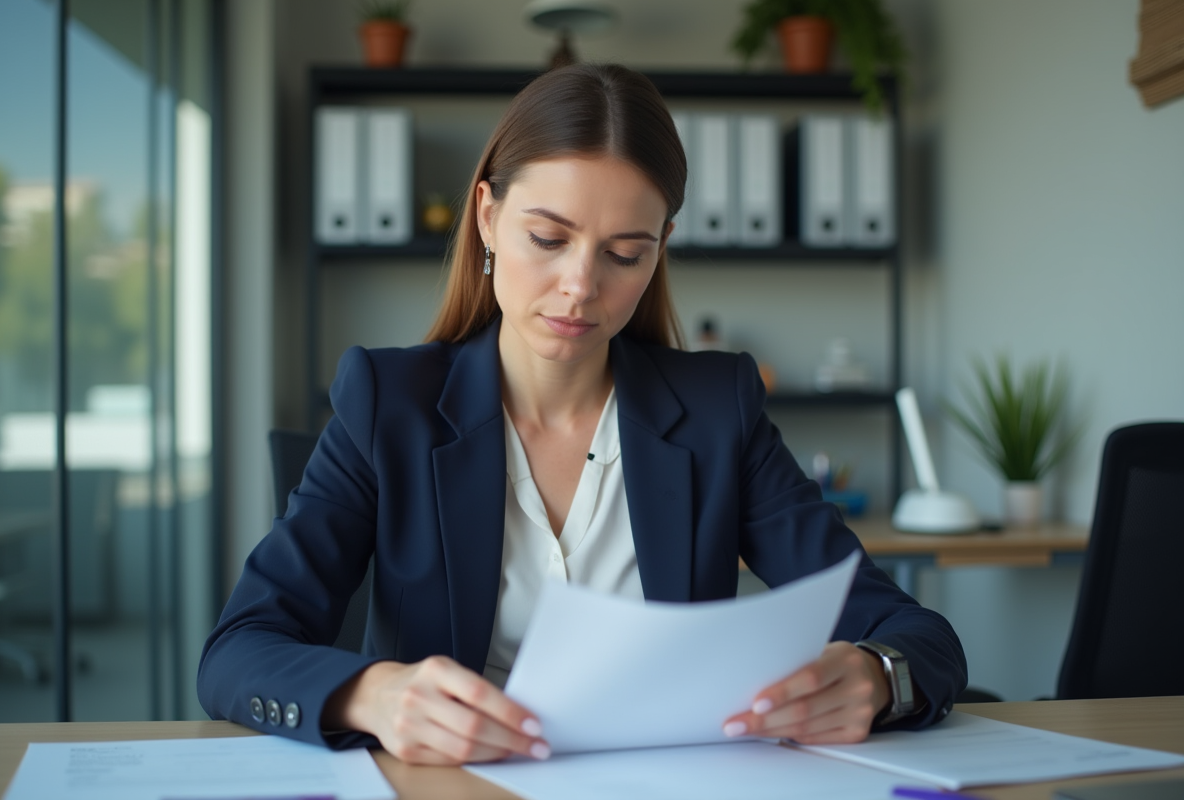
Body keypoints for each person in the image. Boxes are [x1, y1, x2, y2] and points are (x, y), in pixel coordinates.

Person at [197, 63, 966, 766]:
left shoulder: (716, 413)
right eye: (547, 237)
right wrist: (374, 695)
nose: (579, 285)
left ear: (660, 250)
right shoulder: (386, 404)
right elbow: (238, 651)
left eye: (624, 254)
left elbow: (919, 636)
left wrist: (877, 675)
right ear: (488, 218)